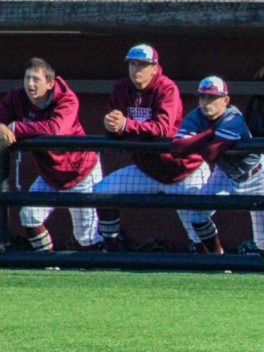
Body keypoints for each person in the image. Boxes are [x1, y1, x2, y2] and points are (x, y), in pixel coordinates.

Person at [93, 44, 209, 250]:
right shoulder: (121, 88)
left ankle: (219, 263)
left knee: (197, 229)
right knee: (101, 192)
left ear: (154, 68)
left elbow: (163, 129)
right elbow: (116, 126)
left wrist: (126, 125)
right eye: (133, 64)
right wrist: (110, 125)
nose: (136, 69)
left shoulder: (166, 88)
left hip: (183, 171)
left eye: (143, 65)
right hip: (146, 170)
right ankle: (110, 250)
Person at [0, 57, 103, 252]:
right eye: (27, 78)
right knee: (29, 215)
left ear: (50, 84)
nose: (30, 84)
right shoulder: (16, 98)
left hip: (81, 173)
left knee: (86, 237)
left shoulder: (67, 99)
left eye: (36, 79)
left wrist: (15, 128)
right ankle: (49, 265)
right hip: (50, 175)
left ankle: (102, 271)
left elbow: (56, 129)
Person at [171, 76, 264, 255]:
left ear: (225, 100)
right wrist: (209, 133)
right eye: (203, 97)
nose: (206, 103)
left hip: (255, 176)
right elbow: (176, 148)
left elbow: (211, 153)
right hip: (225, 174)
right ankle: (217, 258)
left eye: (213, 98)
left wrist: (198, 138)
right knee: (197, 214)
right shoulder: (197, 115)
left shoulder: (233, 118)